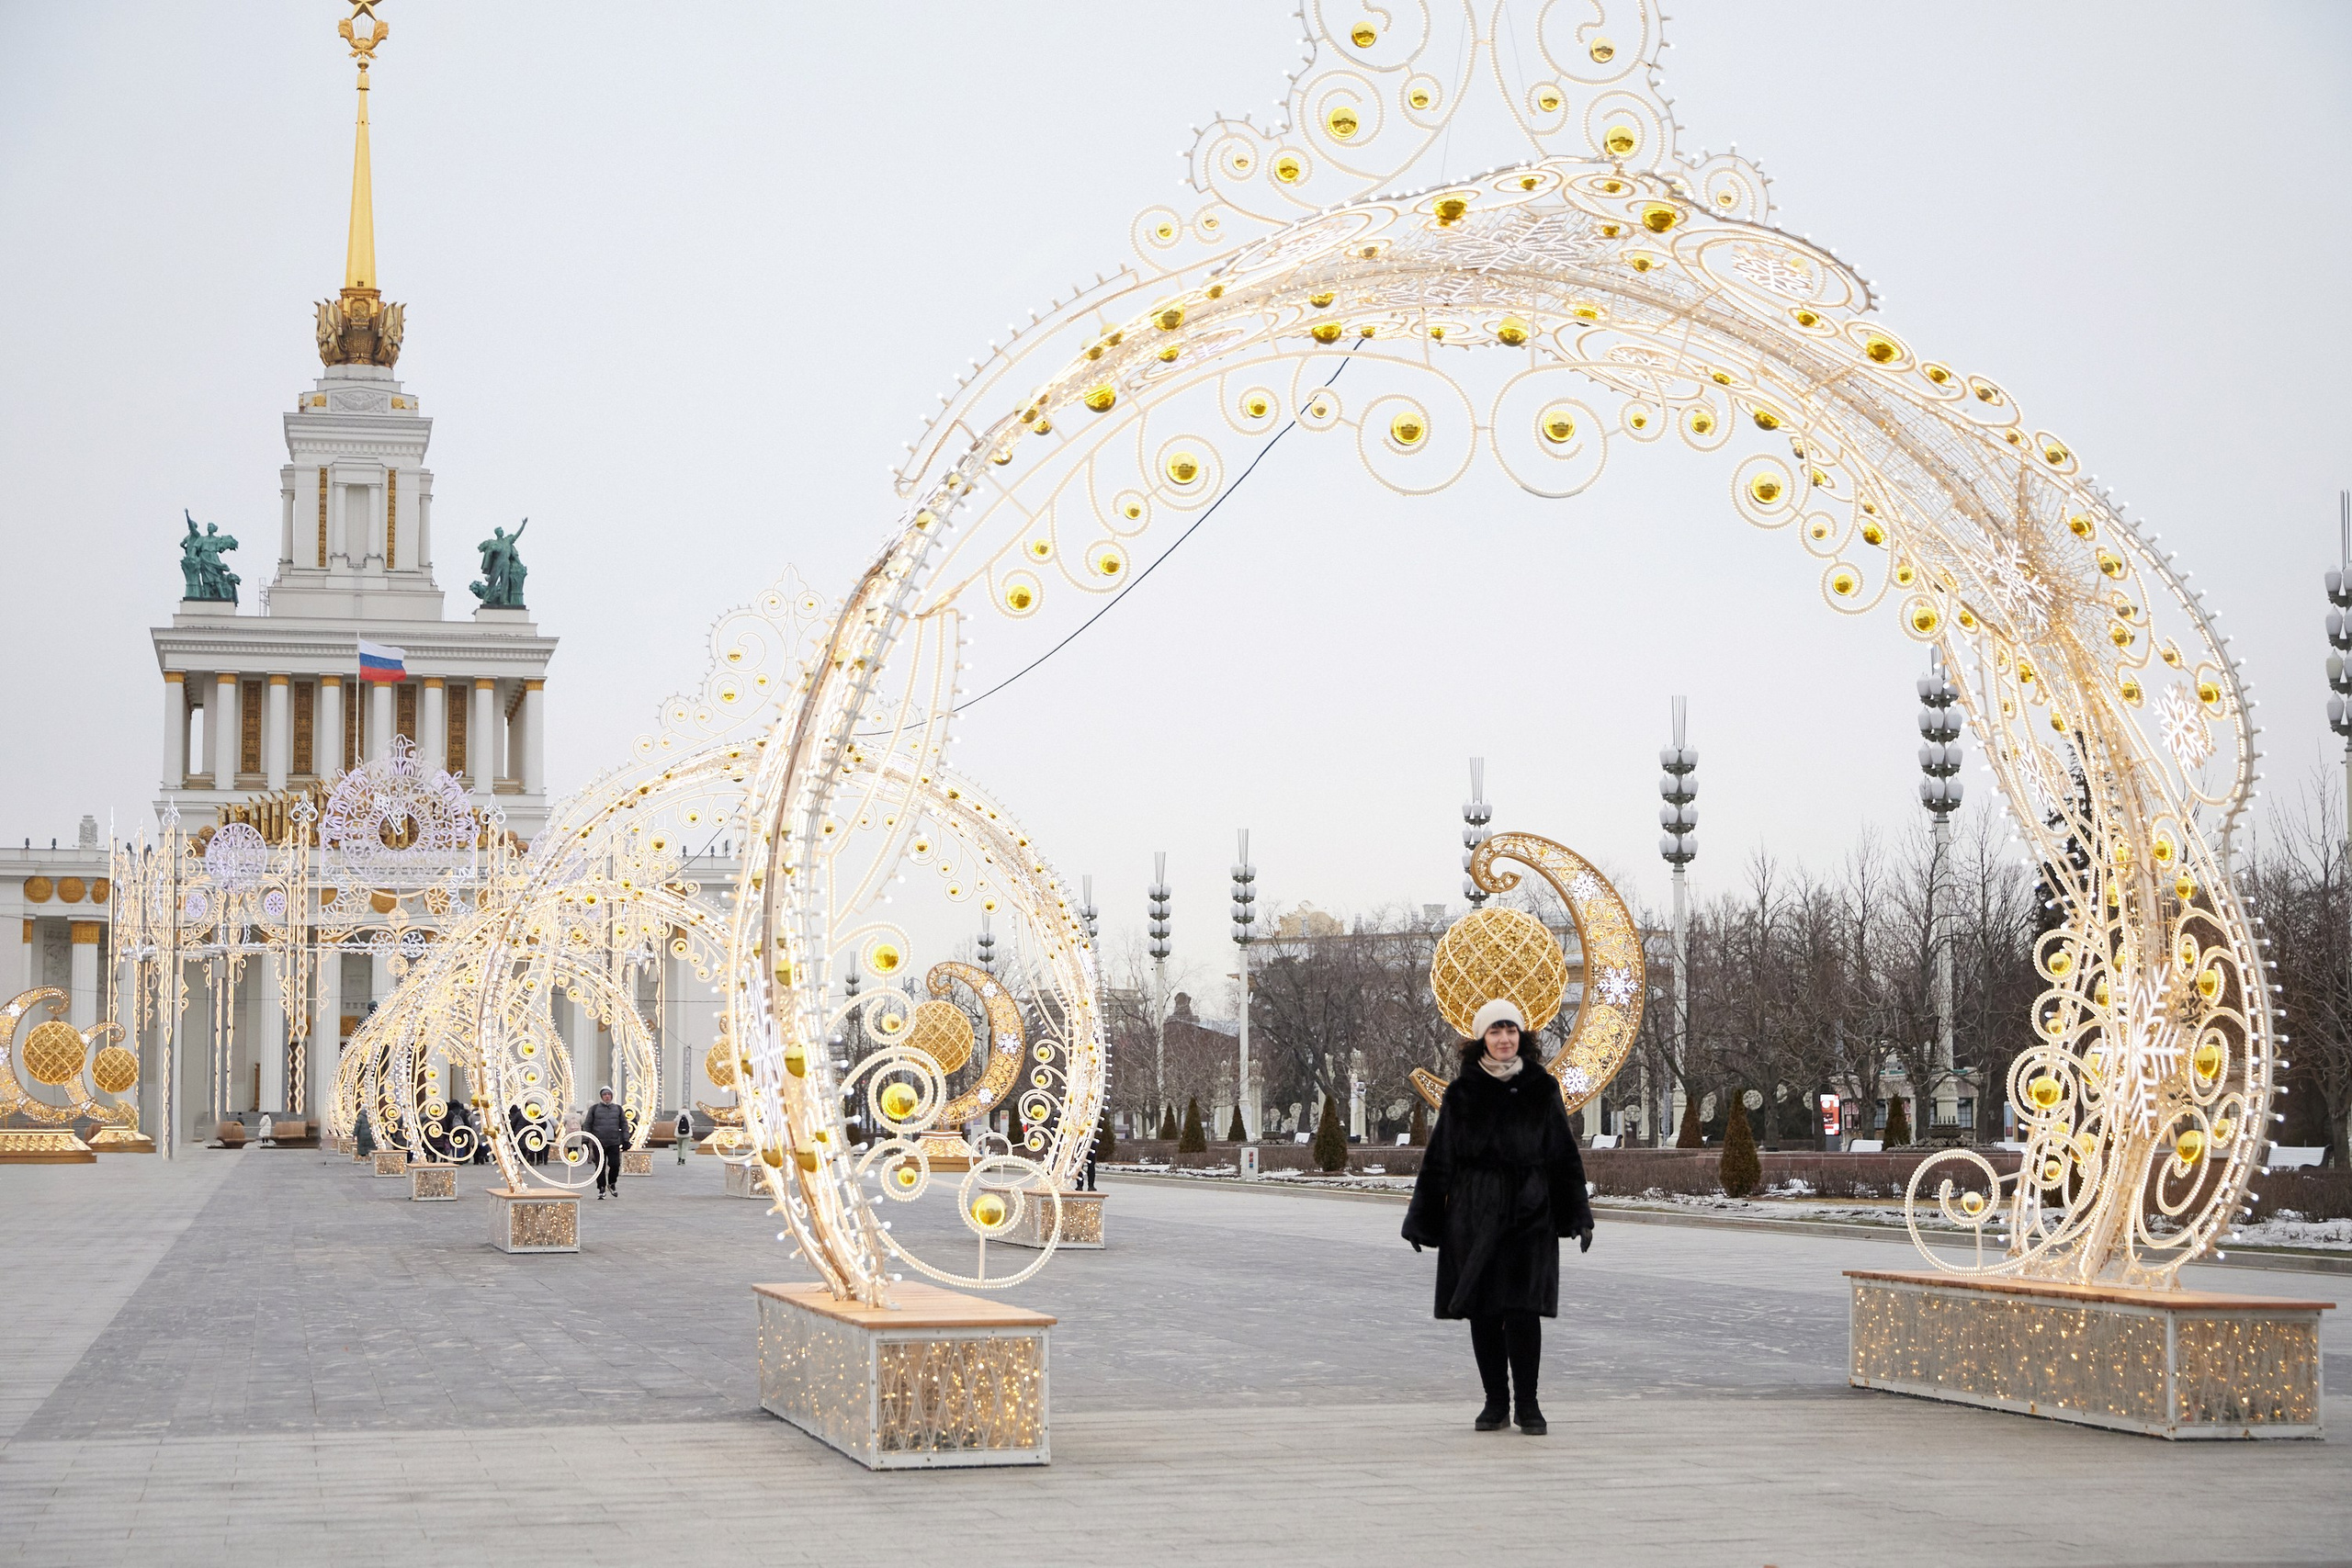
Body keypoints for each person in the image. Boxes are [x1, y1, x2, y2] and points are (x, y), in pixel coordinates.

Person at [1401, 998, 1593, 1436]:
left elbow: (1562, 1155)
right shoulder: (1462, 1092)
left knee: (1523, 1310)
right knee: (1484, 1310)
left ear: (1522, 1037)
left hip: (1529, 1211)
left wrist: (1577, 1214)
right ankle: (1494, 1403)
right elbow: (1439, 1160)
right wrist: (1422, 1220)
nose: (1504, 1039)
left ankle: (1529, 1404)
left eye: (1511, 1031)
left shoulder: (1542, 1088)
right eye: (1495, 1031)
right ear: (1480, 1039)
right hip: (1474, 1211)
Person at [583, 1086, 631, 1199]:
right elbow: (587, 1125)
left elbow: (624, 1125)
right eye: (605, 1094)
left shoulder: (618, 1109)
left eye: (609, 1094)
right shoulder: (594, 1109)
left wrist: (626, 1140)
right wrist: (585, 1140)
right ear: (601, 1096)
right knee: (600, 1167)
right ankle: (601, 1188)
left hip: (614, 1142)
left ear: (612, 1096)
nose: (607, 1096)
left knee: (615, 1165)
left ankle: (612, 1183)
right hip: (598, 1143)